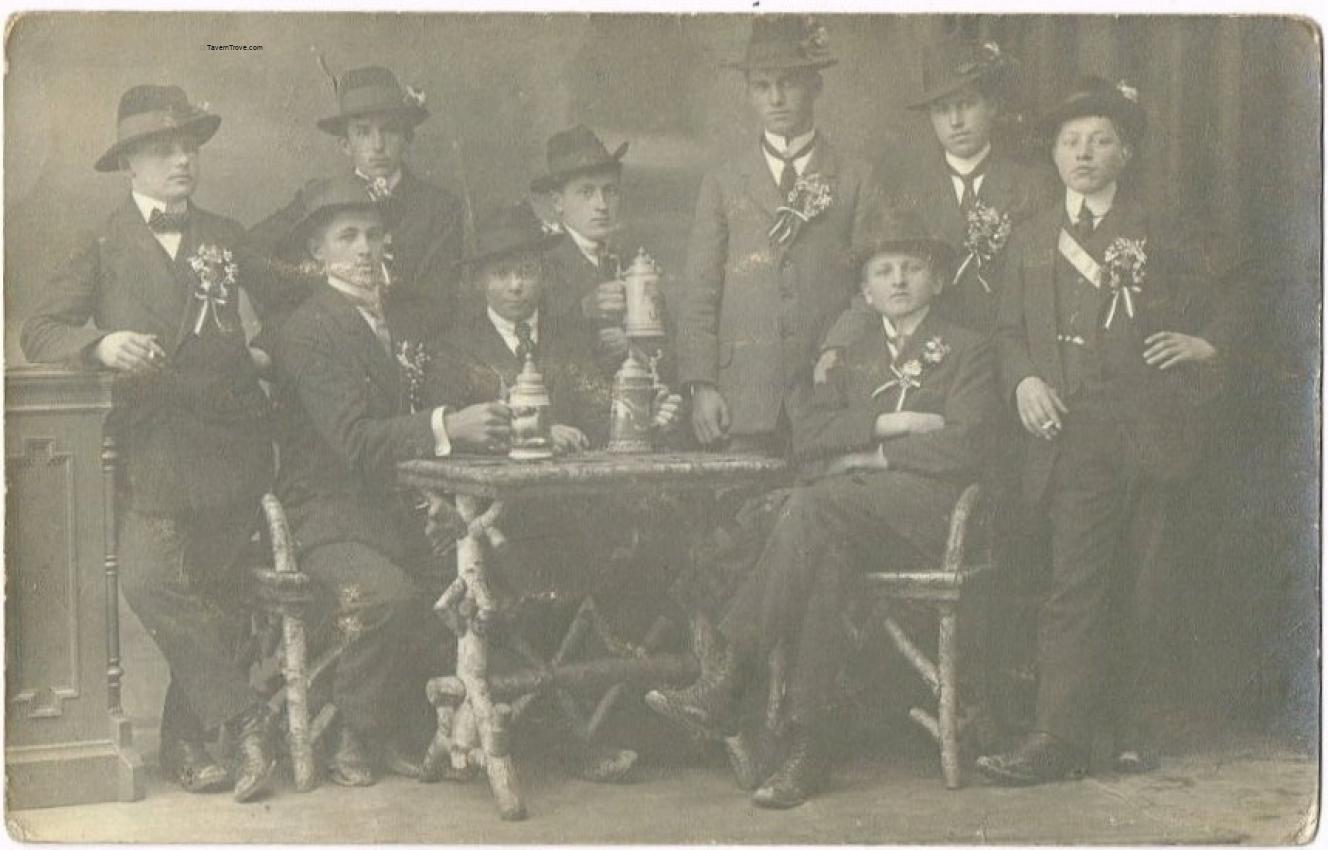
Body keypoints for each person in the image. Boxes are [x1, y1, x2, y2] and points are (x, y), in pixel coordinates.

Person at [649, 208, 997, 808]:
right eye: (883, 272)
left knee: (812, 508)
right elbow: (809, 440)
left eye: (912, 269)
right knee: (827, 555)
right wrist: (897, 421)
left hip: (929, 517)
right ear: (864, 290)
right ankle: (809, 751)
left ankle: (731, 675)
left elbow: (967, 444)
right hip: (848, 517)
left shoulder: (968, 349)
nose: (898, 281)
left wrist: (871, 456)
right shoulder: (846, 353)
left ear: (937, 281)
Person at [975, 77, 1247, 785]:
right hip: (1069, 434)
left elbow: (1237, 293)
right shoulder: (1033, 235)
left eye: (1100, 140)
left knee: (1147, 582)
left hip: (1147, 429)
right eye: (1071, 141)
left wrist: (1207, 344)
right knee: (1074, 583)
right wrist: (1023, 381)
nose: (1084, 153)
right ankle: (1058, 737)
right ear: (1055, 155)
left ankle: (1132, 729)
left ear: (1124, 152)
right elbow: (1005, 332)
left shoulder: (1161, 226)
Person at [19, 85, 278, 802]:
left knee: (218, 598)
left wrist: (264, 354)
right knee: (150, 580)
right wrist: (102, 342)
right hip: (152, 450)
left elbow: (291, 303)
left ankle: (187, 749)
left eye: (190, 145)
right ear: (130, 162)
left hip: (231, 444)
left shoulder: (226, 235)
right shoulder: (101, 241)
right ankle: (249, 717)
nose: (183, 159)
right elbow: (38, 330)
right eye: (164, 148)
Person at [269, 177, 502, 786]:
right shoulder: (308, 329)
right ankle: (354, 730)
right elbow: (354, 441)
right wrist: (447, 424)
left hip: (391, 510)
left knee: (472, 584)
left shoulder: (391, 319)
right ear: (316, 253)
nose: (365, 248)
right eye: (347, 236)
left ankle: (412, 727)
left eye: (374, 234)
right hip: (327, 515)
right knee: (387, 597)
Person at [450, 202, 683, 782]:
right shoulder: (457, 346)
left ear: (542, 274)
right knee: (544, 574)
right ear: (482, 278)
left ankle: (629, 722)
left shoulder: (568, 336)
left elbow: (600, 411)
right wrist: (533, 429)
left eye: (526, 270)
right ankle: (567, 735)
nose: (515, 283)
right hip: (490, 520)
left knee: (647, 555)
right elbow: (455, 436)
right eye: (501, 272)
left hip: (570, 509)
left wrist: (646, 416)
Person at [676, 15, 879, 456]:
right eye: (762, 86)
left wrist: (838, 345)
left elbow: (873, 284)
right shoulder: (723, 181)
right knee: (739, 515)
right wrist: (701, 386)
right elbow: (700, 292)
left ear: (816, 86)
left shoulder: (855, 176)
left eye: (788, 83)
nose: (776, 98)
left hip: (829, 392)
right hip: (743, 399)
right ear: (749, 93)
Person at [815, 37, 1056, 370]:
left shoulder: (1034, 187)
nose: (955, 121)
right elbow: (878, 276)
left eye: (967, 104)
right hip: (936, 363)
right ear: (930, 117)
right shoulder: (905, 190)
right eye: (942, 109)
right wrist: (838, 343)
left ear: (993, 106)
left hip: (1018, 363)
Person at [250, 64, 465, 336]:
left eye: (389, 130)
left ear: (406, 137)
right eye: (363, 132)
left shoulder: (440, 209)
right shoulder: (318, 199)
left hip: (407, 351)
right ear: (345, 144)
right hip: (329, 341)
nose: (377, 145)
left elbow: (439, 306)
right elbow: (252, 254)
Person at [531, 125, 634, 376]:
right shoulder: (540, 264)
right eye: (586, 192)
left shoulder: (632, 262)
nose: (601, 205)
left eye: (609, 191)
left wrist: (635, 348)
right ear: (558, 202)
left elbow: (667, 343)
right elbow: (527, 343)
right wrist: (582, 311)